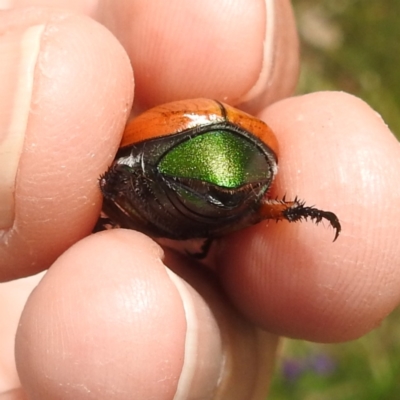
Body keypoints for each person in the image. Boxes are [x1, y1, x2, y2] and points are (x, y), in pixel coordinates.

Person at [1, 2, 400, 399]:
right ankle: (271, 207)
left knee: (224, 201)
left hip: (208, 153)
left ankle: (268, 206)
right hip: (189, 151)